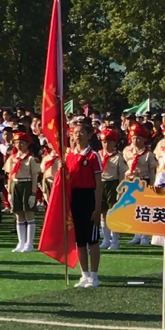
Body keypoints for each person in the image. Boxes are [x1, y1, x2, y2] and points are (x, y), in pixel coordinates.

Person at [63, 122, 104, 288]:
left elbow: (99, 183)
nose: (77, 135)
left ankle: (94, 275)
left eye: (81, 132)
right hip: (75, 198)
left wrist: (98, 207)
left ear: (89, 135)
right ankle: (84, 274)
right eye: (75, 132)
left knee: (92, 239)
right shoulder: (69, 155)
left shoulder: (93, 156)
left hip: (89, 197)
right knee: (79, 240)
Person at [6, 131, 42, 252]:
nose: (18, 145)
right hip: (15, 184)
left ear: (27, 144)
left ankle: (29, 243)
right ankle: (20, 242)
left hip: (27, 184)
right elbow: (10, 175)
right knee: (18, 214)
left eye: (21, 142)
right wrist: (9, 192)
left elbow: (35, 176)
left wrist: (33, 193)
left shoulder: (32, 158)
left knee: (29, 214)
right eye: (16, 142)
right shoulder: (12, 158)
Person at [122, 124, 158, 245]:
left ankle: (144, 236)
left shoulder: (148, 154)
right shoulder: (127, 151)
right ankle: (136, 234)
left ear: (144, 139)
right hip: (132, 182)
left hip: (144, 181)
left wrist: (153, 184)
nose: (135, 141)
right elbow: (124, 167)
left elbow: (152, 171)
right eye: (133, 138)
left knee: (143, 209)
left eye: (138, 138)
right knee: (133, 209)